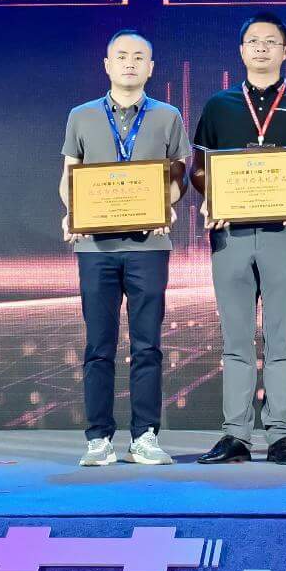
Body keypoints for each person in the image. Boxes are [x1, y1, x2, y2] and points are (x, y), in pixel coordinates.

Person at [188, 11, 286, 466]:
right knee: (236, 339)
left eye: (271, 41)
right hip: (230, 233)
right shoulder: (219, 105)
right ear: (241, 50)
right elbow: (198, 169)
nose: (262, 48)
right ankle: (235, 434)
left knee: (281, 338)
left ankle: (281, 434)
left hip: (283, 232)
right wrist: (212, 198)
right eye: (254, 41)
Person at [59, 29, 190, 467]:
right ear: (107, 65)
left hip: (149, 246)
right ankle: (98, 438)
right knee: (99, 345)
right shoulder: (81, 115)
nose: (129, 63)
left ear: (151, 68)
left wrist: (164, 206)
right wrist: (72, 214)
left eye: (138, 57)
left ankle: (144, 436)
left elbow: (178, 177)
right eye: (121, 56)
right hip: (94, 249)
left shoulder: (168, 115)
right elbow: (70, 176)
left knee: (147, 345)